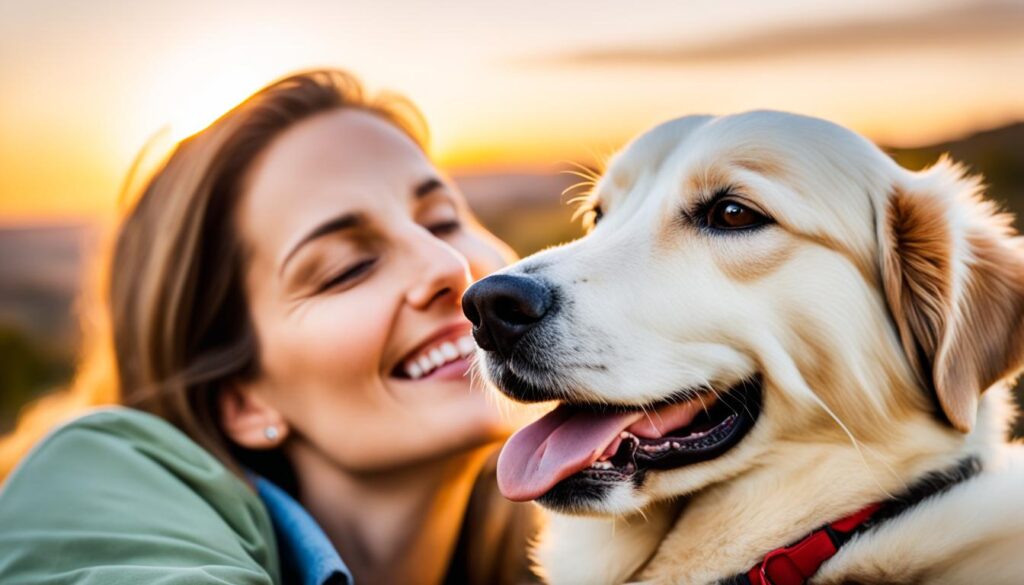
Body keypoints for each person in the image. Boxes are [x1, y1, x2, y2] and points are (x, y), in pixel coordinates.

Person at [0, 69, 538, 585]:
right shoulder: (98, 494)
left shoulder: (582, 539)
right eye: (344, 269)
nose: (448, 264)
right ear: (240, 401)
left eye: (443, 219)